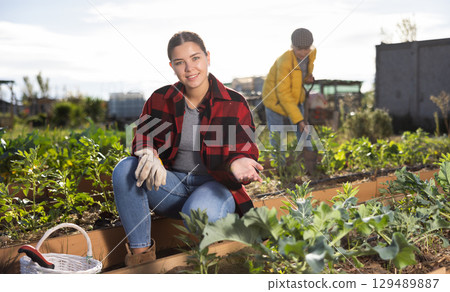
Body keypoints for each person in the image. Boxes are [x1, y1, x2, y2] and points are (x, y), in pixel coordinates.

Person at [112, 31, 263, 266]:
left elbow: (242, 147)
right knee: (124, 169)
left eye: (195, 58)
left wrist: (238, 161)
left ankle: (219, 237)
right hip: (172, 186)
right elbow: (144, 136)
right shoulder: (161, 98)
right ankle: (141, 260)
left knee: (199, 215)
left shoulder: (234, 102)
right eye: (180, 62)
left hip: (215, 186)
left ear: (207, 57)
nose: (189, 68)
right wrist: (149, 154)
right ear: (172, 66)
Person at [261, 28, 317, 149]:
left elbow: (299, 75)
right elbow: (283, 93)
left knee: (304, 133)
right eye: (299, 49)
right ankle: (279, 165)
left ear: (311, 47)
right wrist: (299, 120)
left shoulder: (312, 54)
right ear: (292, 46)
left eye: (306, 49)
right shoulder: (284, 61)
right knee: (278, 138)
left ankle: (308, 163)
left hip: (295, 98)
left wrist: (306, 77)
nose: (303, 53)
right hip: (275, 100)